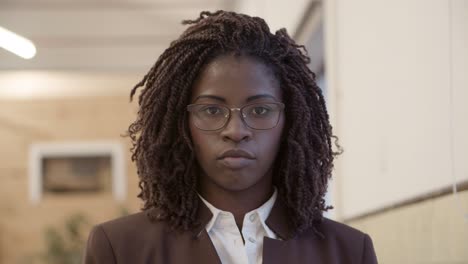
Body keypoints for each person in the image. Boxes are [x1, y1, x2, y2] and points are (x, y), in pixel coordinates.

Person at [83, 10, 378, 264]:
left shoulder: (349, 251)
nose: (236, 131)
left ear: (291, 122)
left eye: (260, 110)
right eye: (212, 110)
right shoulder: (120, 248)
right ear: (181, 124)